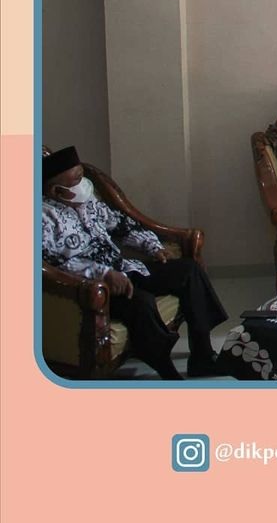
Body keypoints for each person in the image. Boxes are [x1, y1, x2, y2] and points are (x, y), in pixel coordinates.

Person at [41, 146, 227, 379]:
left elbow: (123, 225)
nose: (84, 184)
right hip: (93, 287)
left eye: (82, 175)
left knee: (189, 271)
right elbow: (51, 264)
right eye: (77, 180)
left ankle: (203, 356)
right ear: (56, 191)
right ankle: (166, 370)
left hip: (124, 268)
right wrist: (104, 274)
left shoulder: (89, 203)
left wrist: (153, 246)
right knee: (141, 302)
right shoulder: (43, 218)